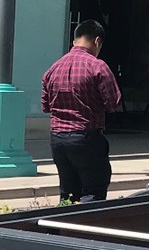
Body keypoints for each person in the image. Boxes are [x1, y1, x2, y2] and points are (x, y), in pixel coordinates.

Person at [40, 19, 122, 202]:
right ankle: (84, 228)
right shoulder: (97, 66)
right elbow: (113, 103)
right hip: (86, 137)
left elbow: (45, 107)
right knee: (93, 191)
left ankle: (62, 226)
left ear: (75, 39)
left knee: (68, 193)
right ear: (97, 41)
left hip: (58, 139)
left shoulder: (53, 69)